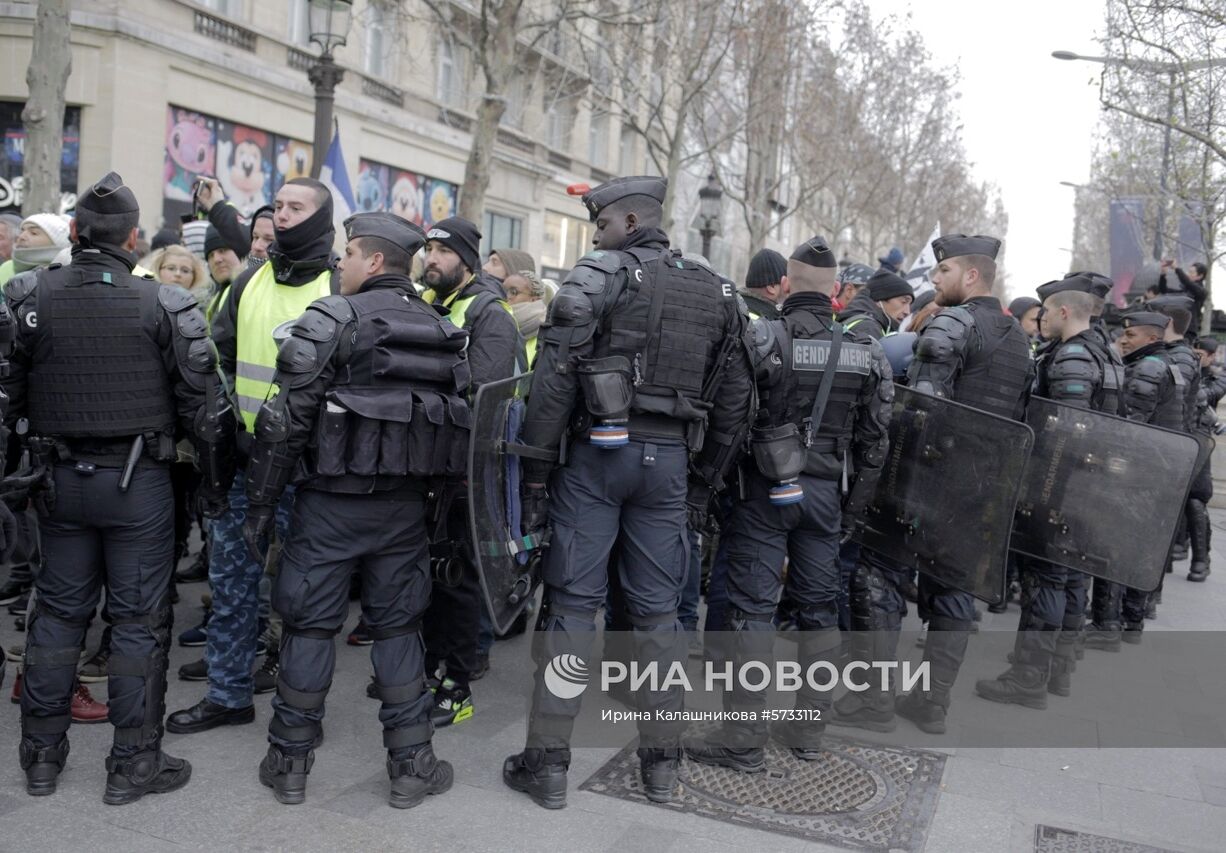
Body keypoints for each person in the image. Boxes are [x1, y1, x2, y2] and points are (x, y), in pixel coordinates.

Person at [501, 175, 753, 809]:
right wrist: (703, 481)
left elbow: (554, 382)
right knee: (660, 618)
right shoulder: (718, 290)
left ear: (632, 222)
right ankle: (661, 768)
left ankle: (548, 764)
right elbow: (734, 401)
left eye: (602, 223)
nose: (596, 235)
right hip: (667, 464)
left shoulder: (599, 276)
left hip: (597, 460)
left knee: (572, 610)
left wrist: (533, 475)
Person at [4, 172, 235, 803]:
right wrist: (215, 491)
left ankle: (41, 759)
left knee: (56, 615)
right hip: (139, 486)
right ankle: (134, 764)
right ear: (133, 238)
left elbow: (5, 400)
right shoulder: (165, 304)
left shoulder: (27, 296)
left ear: (75, 233)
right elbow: (205, 413)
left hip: (57, 482)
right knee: (138, 622)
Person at [243, 212, 469, 808]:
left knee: (310, 626)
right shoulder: (440, 326)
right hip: (405, 512)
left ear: (373, 261)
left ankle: (288, 765)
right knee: (398, 629)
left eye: (347, 254)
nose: (337, 263)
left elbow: (282, 423)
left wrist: (259, 506)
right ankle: (413, 768)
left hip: (329, 507)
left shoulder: (332, 318)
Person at [684, 236, 892, 771]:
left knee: (752, 615)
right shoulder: (864, 352)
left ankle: (743, 741)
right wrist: (852, 512)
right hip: (825, 498)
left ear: (787, 284)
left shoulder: (762, 339)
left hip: (762, 493)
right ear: (837, 291)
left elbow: (727, 422)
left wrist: (707, 489)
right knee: (820, 613)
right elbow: (875, 446)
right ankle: (808, 734)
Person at [167, 178, 338, 735]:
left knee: (307, 594)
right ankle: (227, 694)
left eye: (296, 207)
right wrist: (222, 444)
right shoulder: (249, 282)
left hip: (312, 473)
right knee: (233, 580)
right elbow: (219, 364)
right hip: (245, 464)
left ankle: (299, 707)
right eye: (279, 206)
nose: (283, 217)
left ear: (320, 216)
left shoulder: (341, 285)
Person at [894, 234, 1033, 735]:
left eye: (944, 270)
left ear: (971, 276)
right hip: (986, 483)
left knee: (883, 574)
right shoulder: (1018, 338)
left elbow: (920, 409)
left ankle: (866, 699)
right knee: (955, 591)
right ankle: (933, 702)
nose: (934, 279)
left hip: (934, 477)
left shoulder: (955, 321)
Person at [975, 275, 1123, 708]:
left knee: (1046, 581)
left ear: (1062, 311)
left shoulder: (1074, 357)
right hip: (1088, 488)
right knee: (1073, 576)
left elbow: (1065, 432)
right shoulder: (1107, 353)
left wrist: (1041, 489)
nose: (1039, 320)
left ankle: (1028, 679)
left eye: (1045, 313)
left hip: (1059, 486)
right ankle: (1057, 671)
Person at [418, 216, 522, 727]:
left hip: (465, 472)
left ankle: (457, 687)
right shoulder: (434, 302)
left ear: (466, 259)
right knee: (429, 578)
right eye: (428, 248)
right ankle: (430, 669)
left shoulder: (489, 314)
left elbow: (485, 394)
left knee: (457, 581)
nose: (430, 258)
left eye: (441, 250)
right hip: (427, 465)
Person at [1085, 311, 1183, 650]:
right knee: (1140, 548)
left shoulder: (1149, 368)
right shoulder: (1169, 366)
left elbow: (1130, 427)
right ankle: (1132, 619)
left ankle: (1106, 624)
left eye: (1131, 335)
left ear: (1152, 338)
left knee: (1112, 545)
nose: (1124, 340)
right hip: (1160, 471)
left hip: (1137, 472)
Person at [1189, 337, 1226, 582]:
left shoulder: (1216, 379)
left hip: (1202, 441)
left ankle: (1201, 559)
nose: (1195, 358)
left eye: (1200, 354)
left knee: (1197, 500)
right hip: (1181, 435)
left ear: (1212, 356)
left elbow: (1212, 393)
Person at [0, 213, 73, 288]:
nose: (21, 236)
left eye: (33, 233)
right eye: (22, 231)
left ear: (56, 243)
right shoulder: (6, 267)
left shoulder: (71, 275)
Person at [839, 269, 914, 339]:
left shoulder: (862, 321)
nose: (907, 312)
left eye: (909, 304)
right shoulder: (868, 329)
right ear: (880, 298)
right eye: (904, 302)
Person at [504, 269, 548, 365]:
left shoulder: (548, 331)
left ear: (534, 299)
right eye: (503, 290)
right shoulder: (492, 322)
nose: (506, 296)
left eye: (513, 291)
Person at [1158, 259, 1208, 332]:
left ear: (1200, 276)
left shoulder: (1201, 292)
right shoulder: (1184, 291)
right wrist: (1163, 274)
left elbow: (1187, 282)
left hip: (1189, 330)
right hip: (1177, 328)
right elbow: (1163, 290)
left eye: (1191, 272)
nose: (1188, 274)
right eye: (1188, 272)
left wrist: (1176, 268)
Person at [740, 248, 788, 320]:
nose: (788, 288)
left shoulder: (736, 306)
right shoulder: (770, 321)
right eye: (785, 282)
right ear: (771, 287)